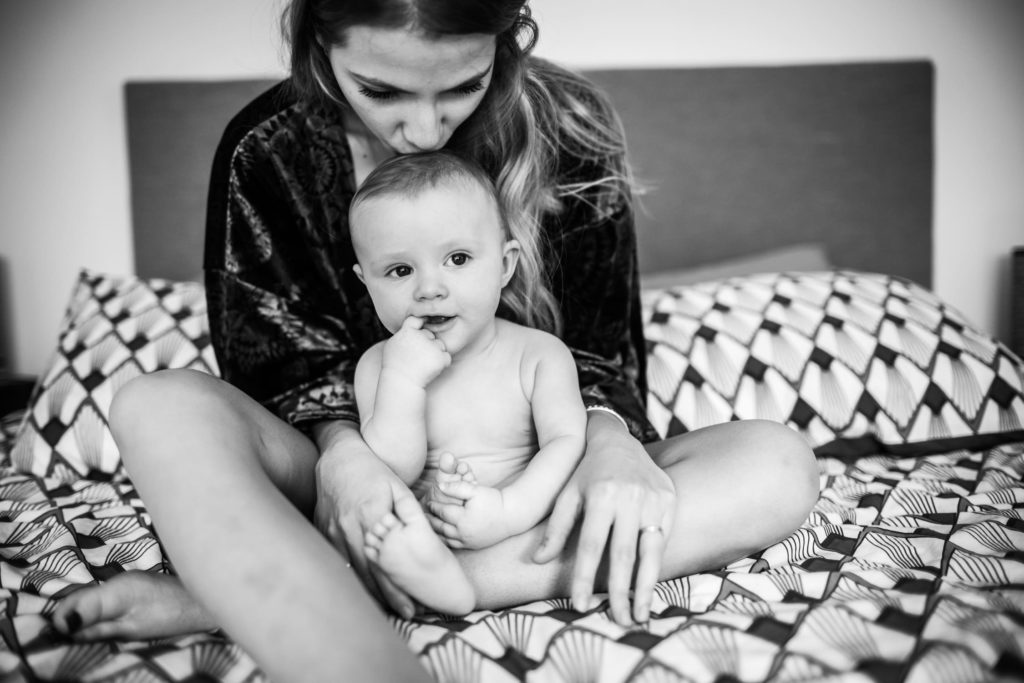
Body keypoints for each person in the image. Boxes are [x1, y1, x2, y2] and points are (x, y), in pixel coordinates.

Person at [50, 1, 820, 680]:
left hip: (528, 482)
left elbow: (597, 356)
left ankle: (265, 588)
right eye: (380, 89)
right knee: (154, 401)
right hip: (326, 460)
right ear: (317, 44)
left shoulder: (571, 129)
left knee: (779, 463)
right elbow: (276, 369)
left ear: (507, 39)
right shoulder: (266, 149)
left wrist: (611, 441)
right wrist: (348, 463)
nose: (423, 128)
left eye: (462, 85)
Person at [350, 150, 587, 616]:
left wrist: (508, 510)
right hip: (421, 533)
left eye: (457, 258)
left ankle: (458, 586)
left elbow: (567, 442)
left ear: (504, 265)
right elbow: (389, 470)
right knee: (345, 545)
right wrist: (402, 381)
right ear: (366, 283)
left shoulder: (538, 355)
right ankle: (432, 580)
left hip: (518, 529)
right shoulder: (378, 366)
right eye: (400, 270)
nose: (429, 288)